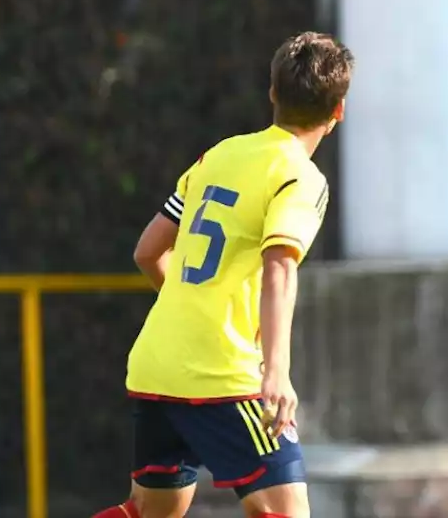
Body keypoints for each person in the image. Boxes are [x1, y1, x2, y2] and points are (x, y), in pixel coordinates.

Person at [91, 32, 354, 518]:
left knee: (148, 512)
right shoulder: (301, 178)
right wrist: (276, 372)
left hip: (156, 362)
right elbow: (279, 266)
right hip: (225, 374)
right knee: (285, 512)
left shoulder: (219, 155)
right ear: (338, 111)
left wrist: (192, 311)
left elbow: (148, 251)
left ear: (272, 93)